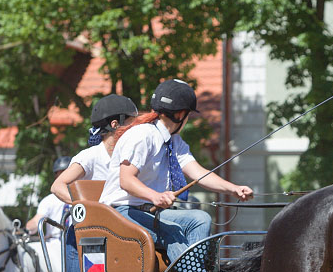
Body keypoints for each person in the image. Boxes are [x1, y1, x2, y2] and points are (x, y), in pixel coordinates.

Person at [99, 79, 253, 262]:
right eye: (188, 115)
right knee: (173, 234)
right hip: (120, 213)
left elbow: (198, 173)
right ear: (180, 115)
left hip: (149, 212)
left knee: (201, 218)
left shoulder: (174, 142)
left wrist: (233, 188)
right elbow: (126, 180)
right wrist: (155, 196)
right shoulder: (142, 136)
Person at [51, 94, 139, 272]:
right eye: (132, 123)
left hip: (120, 232)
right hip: (89, 238)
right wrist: (88, 209)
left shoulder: (131, 156)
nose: (136, 129)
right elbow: (57, 186)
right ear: (116, 124)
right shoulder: (91, 156)